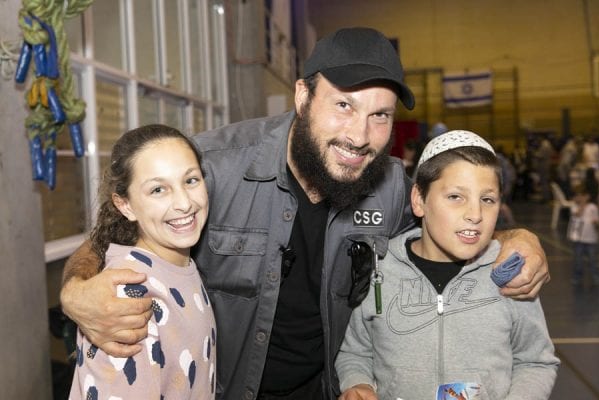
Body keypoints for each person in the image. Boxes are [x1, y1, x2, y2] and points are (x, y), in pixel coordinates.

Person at [60, 27, 550, 400]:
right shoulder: (214, 167)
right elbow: (106, 240)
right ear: (302, 96)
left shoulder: (389, 187)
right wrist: (76, 291)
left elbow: (450, 219)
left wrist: (516, 237)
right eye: (343, 106)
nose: (359, 135)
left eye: (379, 115)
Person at [336, 130, 559, 400]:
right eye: (455, 197)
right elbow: (355, 352)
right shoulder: (379, 269)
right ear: (419, 200)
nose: (475, 214)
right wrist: (358, 384)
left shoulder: (511, 275)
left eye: (487, 200)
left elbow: (535, 361)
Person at [68, 125, 216, 399]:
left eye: (191, 180)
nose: (184, 203)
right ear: (125, 205)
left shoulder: (180, 266)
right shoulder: (129, 294)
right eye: (158, 189)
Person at [567, 184, 599, 286]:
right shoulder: (574, 206)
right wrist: (582, 204)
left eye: (580, 195)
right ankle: (577, 276)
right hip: (579, 240)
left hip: (591, 240)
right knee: (578, 261)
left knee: (593, 260)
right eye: (576, 196)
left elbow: (597, 221)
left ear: (587, 196)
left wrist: (596, 223)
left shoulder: (592, 207)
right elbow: (578, 214)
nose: (578, 198)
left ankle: (596, 276)